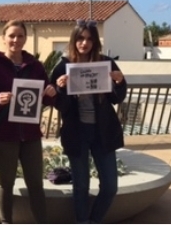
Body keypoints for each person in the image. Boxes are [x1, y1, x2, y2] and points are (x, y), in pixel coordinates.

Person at [50, 20, 127, 224]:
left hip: (103, 132)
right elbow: (60, 105)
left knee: (111, 186)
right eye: (81, 38)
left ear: (95, 42)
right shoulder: (63, 66)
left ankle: (93, 220)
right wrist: (60, 89)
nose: (84, 43)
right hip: (77, 133)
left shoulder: (106, 63)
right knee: (81, 186)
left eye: (89, 39)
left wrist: (120, 82)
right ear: (74, 40)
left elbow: (116, 99)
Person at [0, 20, 57, 224]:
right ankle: (6, 222)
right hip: (4, 136)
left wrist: (51, 93)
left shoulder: (36, 66)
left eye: (20, 36)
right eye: (12, 36)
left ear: (25, 38)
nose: (16, 40)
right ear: (4, 38)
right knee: (6, 183)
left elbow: (46, 97)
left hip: (31, 135)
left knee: (36, 184)